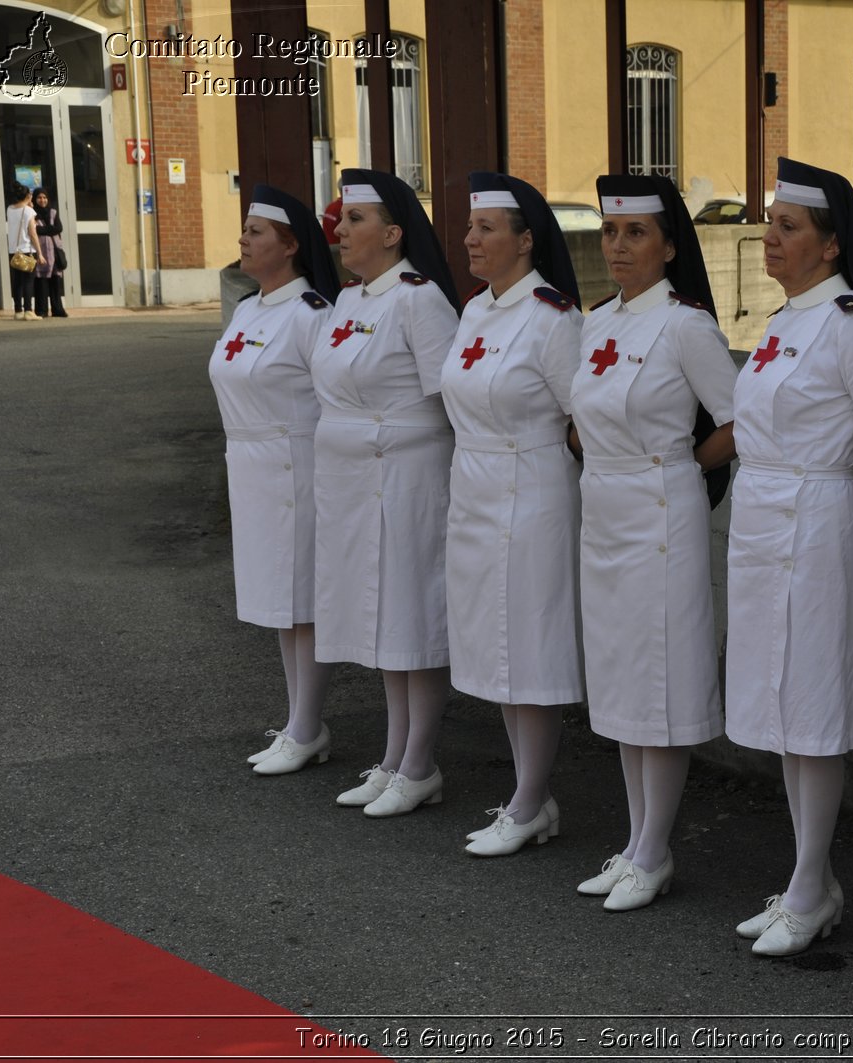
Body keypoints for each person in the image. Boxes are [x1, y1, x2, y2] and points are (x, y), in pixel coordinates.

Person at [723, 157, 853, 956]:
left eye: (789, 227)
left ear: (831, 245)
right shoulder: (786, 320)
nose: (771, 238)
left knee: (813, 708)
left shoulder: (852, 324)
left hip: (819, 525)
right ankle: (808, 879)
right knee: (782, 708)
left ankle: (809, 883)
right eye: (770, 224)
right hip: (764, 521)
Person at [568, 173, 738, 911]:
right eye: (610, 232)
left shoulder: (685, 325)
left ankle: (656, 848)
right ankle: (637, 839)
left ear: (670, 244)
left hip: (659, 513)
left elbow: (738, 419)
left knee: (659, 679)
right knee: (619, 676)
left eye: (635, 232)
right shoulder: (598, 320)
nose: (618, 246)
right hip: (602, 509)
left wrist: (679, 469)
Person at [442, 173, 585, 857]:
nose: (471, 239)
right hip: (475, 488)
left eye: (487, 229)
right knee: (494, 648)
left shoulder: (553, 318)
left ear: (526, 241)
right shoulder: (475, 311)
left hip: (532, 493)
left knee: (528, 646)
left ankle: (530, 797)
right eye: (471, 229)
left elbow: (582, 416)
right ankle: (529, 794)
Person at [312, 168, 461, 818]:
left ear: (394, 233)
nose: (340, 230)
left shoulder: (418, 300)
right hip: (355, 482)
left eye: (355, 219)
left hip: (409, 476)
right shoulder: (351, 300)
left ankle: (421, 761)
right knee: (380, 615)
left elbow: (451, 400)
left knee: (413, 613)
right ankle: (394, 753)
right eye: (342, 220)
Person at [210, 186, 342, 776]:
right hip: (251, 466)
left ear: (290, 246)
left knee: (302, 604)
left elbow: (338, 397)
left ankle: (307, 726)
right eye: (245, 229)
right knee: (276, 603)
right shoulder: (247, 308)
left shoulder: (312, 314)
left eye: (255, 231)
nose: (242, 238)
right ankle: (297, 720)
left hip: (296, 467)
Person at [6, 182, 39, 321]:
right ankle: (29, 311)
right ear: (28, 195)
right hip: (27, 250)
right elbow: (32, 233)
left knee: (17, 281)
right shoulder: (29, 211)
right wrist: (40, 252)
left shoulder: (9, 209)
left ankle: (18, 310)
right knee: (28, 281)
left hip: (14, 251)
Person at [31, 189, 67, 319]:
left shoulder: (53, 212)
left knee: (55, 282)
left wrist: (44, 230)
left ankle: (57, 309)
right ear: (35, 199)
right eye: (39, 198)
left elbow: (59, 228)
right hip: (42, 252)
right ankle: (41, 310)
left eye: (44, 197)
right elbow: (35, 230)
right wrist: (49, 230)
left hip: (55, 252)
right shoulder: (32, 214)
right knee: (41, 282)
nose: (42, 200)